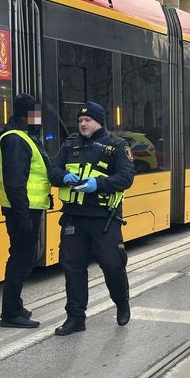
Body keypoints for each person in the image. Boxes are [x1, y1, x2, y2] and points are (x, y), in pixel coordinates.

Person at [49, 102, 134, 336]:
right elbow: (52, 171)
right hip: (74, 218)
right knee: (73, 268)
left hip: (104, 218)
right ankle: (75, 318)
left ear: (99, 121)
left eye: (87, 120)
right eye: (79, 120)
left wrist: (99, 184)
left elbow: (126, 178)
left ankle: (122, 301)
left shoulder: (117, 146)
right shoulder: (70, 145)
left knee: (112, 264)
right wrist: (64, 176)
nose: (82, 124)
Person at [0, 94, 51, 329]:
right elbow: (15, 183)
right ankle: (10, 313)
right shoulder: (16, 139)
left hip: (27, 209)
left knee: (22, 258)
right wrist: (22, 218)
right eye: (35, 114)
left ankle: (15, 307)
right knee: (21, 260)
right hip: (22, 210)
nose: (38, 119)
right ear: (25, 115)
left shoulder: (23, 137)